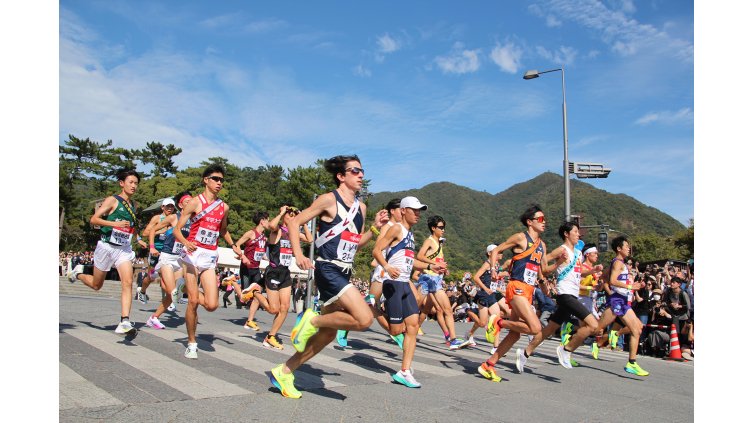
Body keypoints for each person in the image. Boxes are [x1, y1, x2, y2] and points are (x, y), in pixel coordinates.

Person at [268, 154, 388, 399]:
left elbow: (355, 245)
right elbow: (294, 223)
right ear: (341, 176)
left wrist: (374, 228)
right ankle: (310, 321)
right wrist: (298, 254)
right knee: (364, 320)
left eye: (362, 171)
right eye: (355, 171)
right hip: (327, 269)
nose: (361, 175)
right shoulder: (328, 200)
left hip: (344, 271)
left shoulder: (362, 208)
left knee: (328, 334)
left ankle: (284, 371)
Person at [372, 196, 444, 388]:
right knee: (397, 330)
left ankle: (404, 371)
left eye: (420, 210)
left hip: (405, 284)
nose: (418, 214)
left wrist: (432, 265)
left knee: (412, 326)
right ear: (403, 210)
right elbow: (377, 251)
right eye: (414, 210)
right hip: (392, 284)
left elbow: (412, 263)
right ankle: (370, 306)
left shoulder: (411, 235)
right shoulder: (397, 229)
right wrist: (386, 267)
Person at [173, 164, 242, 359]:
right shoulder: (194, 203)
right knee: (194, 301)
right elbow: (177, 229)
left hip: (210, 256)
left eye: (221, 180)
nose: (219, 183)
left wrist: (234, 245)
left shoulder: (224, 207)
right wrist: (187, 242)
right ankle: (192, 342)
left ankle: (183, 288)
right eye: (215, 179)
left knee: (212, 305)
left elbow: (223, 231)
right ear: (206, 180)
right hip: (192, 256)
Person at [516, 221, 601, 372]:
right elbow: (543, 262)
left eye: (578, 232)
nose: (578, 234)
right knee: (593, 325)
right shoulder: (561, 250)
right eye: (575, 231)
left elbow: (579, 272)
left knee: (549, 330)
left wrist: (593, 270)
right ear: (566, 234)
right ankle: (566, 349)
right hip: (564, 294)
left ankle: (524, 353)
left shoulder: (578, 253)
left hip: (573, 295)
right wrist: (547, 275)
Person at [477, 204, 549, 383]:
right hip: (516, 287)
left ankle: (488, 365)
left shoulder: (542, 245)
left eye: (544, 219)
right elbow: (496, 250)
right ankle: (499, 321)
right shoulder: (520, 238)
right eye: (540, 219)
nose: (544, 222)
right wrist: (494, 268)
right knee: (535, 328)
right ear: (529, 222)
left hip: (529, 290)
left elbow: (544, 269)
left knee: (515, 333)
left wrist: (559, 265)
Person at [68, 168, 141, 335]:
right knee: (96, 285)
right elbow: (94, 219)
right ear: (122, 183)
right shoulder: (112, 200)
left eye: (136, 183)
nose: (134, 186)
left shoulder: (133, 205)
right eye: (130, 182)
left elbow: (131, 226)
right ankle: (78, 273)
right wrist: (113, 224)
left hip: (123, 249)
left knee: (128, 282)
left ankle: (124, 321)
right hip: (106, 247)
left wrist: (137, 239)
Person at [243, 205, 313, 349]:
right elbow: (271, 225)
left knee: (285, 308)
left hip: (285, 273)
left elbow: (309, 239)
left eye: (294, 214)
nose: (293, 216)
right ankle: (254, 292)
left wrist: (304, 222)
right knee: (273, 309)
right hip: (273, 272)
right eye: (290, 214)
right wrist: (281, 212)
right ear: (284, 216)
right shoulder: (278, 230)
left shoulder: (293, 232)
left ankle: (271, 337)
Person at [593, 236, 649, 376]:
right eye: (626, 246)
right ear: (619, 248)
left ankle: (631, 362)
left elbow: (605, 277)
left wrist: (603, 285)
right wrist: (630, 286)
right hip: (617, 301)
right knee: (595, 328)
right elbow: (611, 280)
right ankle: (569, 340)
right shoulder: (618, 262)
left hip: (622, 300)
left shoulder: (618, 263)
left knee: (638, 329)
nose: (629, 248)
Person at [416, 216, 470, 350]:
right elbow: (420, 256)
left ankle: (452, 339)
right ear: (433, 228)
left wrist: (444, 269)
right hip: (426, 279)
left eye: (443, 227)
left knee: (446, 309)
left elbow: (438, 259)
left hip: (437, 281)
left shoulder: (439, 243)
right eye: (440, 227)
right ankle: (403, 329)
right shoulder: (429, 241)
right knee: (414, 307)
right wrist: (435, 264)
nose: (443, 230)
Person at [143, 192, 193, 328]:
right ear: (181, 205)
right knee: (173, 291)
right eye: (188, 201)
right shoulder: (173, 218)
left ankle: (153, 318)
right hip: (166, 257)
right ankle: (151, 278)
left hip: (180, 259)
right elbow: (152, 230)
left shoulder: (194, 220)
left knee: (173, 294)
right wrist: (152, 247)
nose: (192, 203)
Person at [365, 198, 407, 349]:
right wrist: (383, 264)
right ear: (392, 211)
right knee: (369, 304)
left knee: (371, 304)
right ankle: (394, 332)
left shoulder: (402, 228)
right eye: (400, 209)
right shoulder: (388, 227)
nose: (403, 212)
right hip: (385, 271)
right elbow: (378, 248)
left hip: (397, 273)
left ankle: (397, 331)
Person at [233, 211, 270, 324]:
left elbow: (261, 252)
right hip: (246, 268)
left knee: (258, 293)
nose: (269, 222)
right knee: (245, 297)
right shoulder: (251, 233)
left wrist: (266, 258)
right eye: (268, 220)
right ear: (262, 221)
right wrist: (242, 256)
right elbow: (236, 245)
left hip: (256, 269)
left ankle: (249, 320)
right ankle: (233, 282)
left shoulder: (265, 238)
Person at [136, 199, 174, 305]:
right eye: (167, 207)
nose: (170, 209)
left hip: (168, 252)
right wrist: (159, 231)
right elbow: (145, 233)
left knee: (166, 277)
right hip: (156, 251)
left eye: (172, 207)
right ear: (162, 207)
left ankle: (167, 301)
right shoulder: (157, 218)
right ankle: (142, 291)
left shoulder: (174, 219)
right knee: (151, 276)